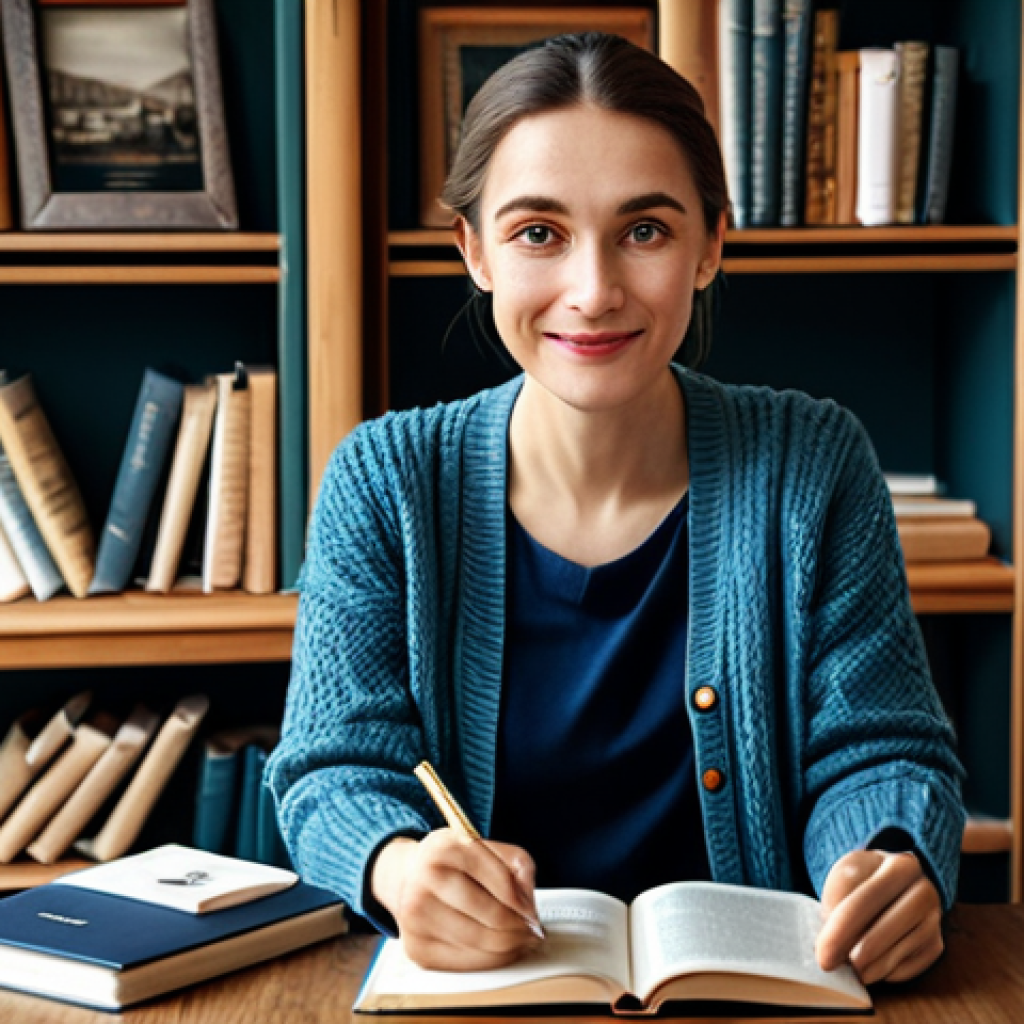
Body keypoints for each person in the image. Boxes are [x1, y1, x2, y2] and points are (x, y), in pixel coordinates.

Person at [267, 32, 964, 987]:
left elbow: (880, 747)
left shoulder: (814, 461)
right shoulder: (385, 479)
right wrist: (395, 866)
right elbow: (331, 770)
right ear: (473, 251)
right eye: (538, 233)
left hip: (750, 1003)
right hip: (480, 1002)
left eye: (644, 230)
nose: (593, 293)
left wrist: (890, 859)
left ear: (712, 244)